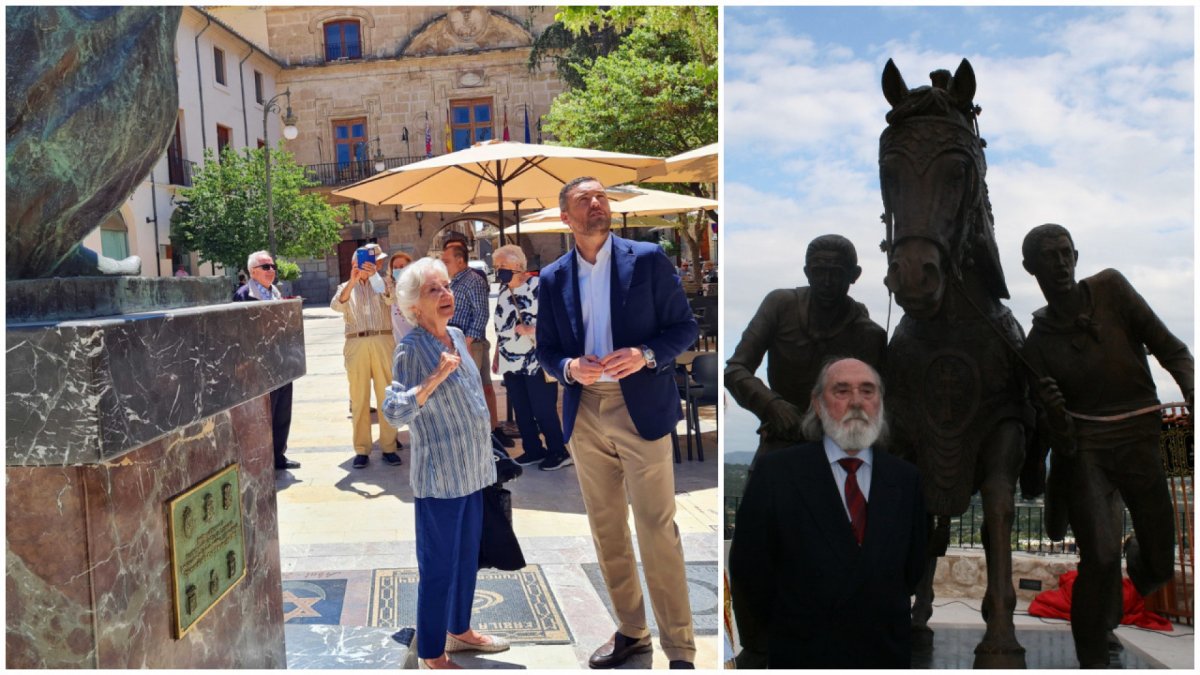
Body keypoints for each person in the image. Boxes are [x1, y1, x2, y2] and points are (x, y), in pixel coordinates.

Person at [537, 176, 699, 669]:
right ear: (566, 218)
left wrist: (646, 354)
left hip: (640, 404)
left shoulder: (647, 259)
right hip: (584, 406)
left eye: (601, 197)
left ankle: (680, 650)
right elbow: (546, 350)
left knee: (656, 529)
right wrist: (568, 367)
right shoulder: (552, 277)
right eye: (584, 199)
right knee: (607, 529)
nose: (596, 204)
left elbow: (685, 327)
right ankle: (633, 632)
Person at [1020, 223, 1193, 668]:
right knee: (1097, 560)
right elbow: (1048, 432)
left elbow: (1174, 351)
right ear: (1030, 269)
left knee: (1156, 567)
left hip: (1139, 439)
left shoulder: (1113, 289)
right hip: (1088, 451)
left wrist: (1192, 392)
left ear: (1076, 255)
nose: (1059, 264)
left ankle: (1136, 553)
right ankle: (1091, 659)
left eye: (1064, 254)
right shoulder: (1036, 344)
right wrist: (1055, 414)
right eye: (1047, 258)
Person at [729, 357, 926, 669]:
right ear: (818, 405)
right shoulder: (777, 474)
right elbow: (750, 571)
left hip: (884, 653)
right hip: (802, 653)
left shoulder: (906, 479)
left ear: (880, 404)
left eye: (867, 391)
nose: (857, 402)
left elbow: (912, 568)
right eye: (842, 391)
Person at [381, 257, 509, 669]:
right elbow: (395, 411)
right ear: (413, 306)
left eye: (445, 286)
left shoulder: (456, 334)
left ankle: (460, 629)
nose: (445, 294)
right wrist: (434, 378)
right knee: (437, 568)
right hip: (440, 478)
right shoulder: (411, 348)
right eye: (432, 290)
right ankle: (433, 654)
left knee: (467, 557)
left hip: (474, 471)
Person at [724, 234, 886, 467]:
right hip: (782, 440)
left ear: (854, 275)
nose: (827, 281)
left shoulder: (868, 334)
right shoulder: (780, 305)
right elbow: (735, 369)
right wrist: (772, 405)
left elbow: (878, 400)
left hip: (840, 449)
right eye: (819, 271)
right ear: (807, 272)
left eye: (836, 273)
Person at [490, 244, 572, 471]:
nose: (499, 270)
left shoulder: (539, 287)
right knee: (522, 408)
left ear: (518, 266)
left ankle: (558, 451)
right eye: (497, 266)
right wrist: (497, 353)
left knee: (543, 408)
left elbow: (558, 322)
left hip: (536, 360)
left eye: (503, 266)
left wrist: (531, 329)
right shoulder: (505, 291)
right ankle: (533, 449)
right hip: (510, 360)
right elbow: (502, 325)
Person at [330, 242, 402, 469]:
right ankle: (362, 449)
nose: (376, 263)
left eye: (378, 260)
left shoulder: (383, 283)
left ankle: (389, 446)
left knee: (386, 396)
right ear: (355, 263)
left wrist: (374, 278)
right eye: (371, 260)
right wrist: (352, 281)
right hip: (356, 342)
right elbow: (337, 306)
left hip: (382, 339)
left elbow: (391, 298)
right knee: (359, 398)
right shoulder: (344, 286)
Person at [233, 250, 299, 471]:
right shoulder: (243, 295)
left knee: (282, 411)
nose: (271, 270)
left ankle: (278, 456)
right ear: (253, 271)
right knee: (263, 415)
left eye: (272, 266)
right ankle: (261, 460)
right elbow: (238, 331)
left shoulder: (276, 292)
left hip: (281, 361)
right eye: (266, 267)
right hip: (260, 365)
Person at [441, 241, 510, 450]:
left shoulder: (472, 280)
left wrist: (467, 342)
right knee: (482, 387)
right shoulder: (453, 282)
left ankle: (487, 434)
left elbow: (482, 313)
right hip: (462, 342)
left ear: (460, 260)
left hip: (471, 344)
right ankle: (489, 431)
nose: (443, 264)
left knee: (476, 389)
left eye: (447, 260)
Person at [386, 250, 415, 342]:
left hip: (417, 340)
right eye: (395, 267)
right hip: (399, 341)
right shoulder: (390, 288)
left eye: (402, 267)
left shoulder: (417, 287)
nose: (398, 270)